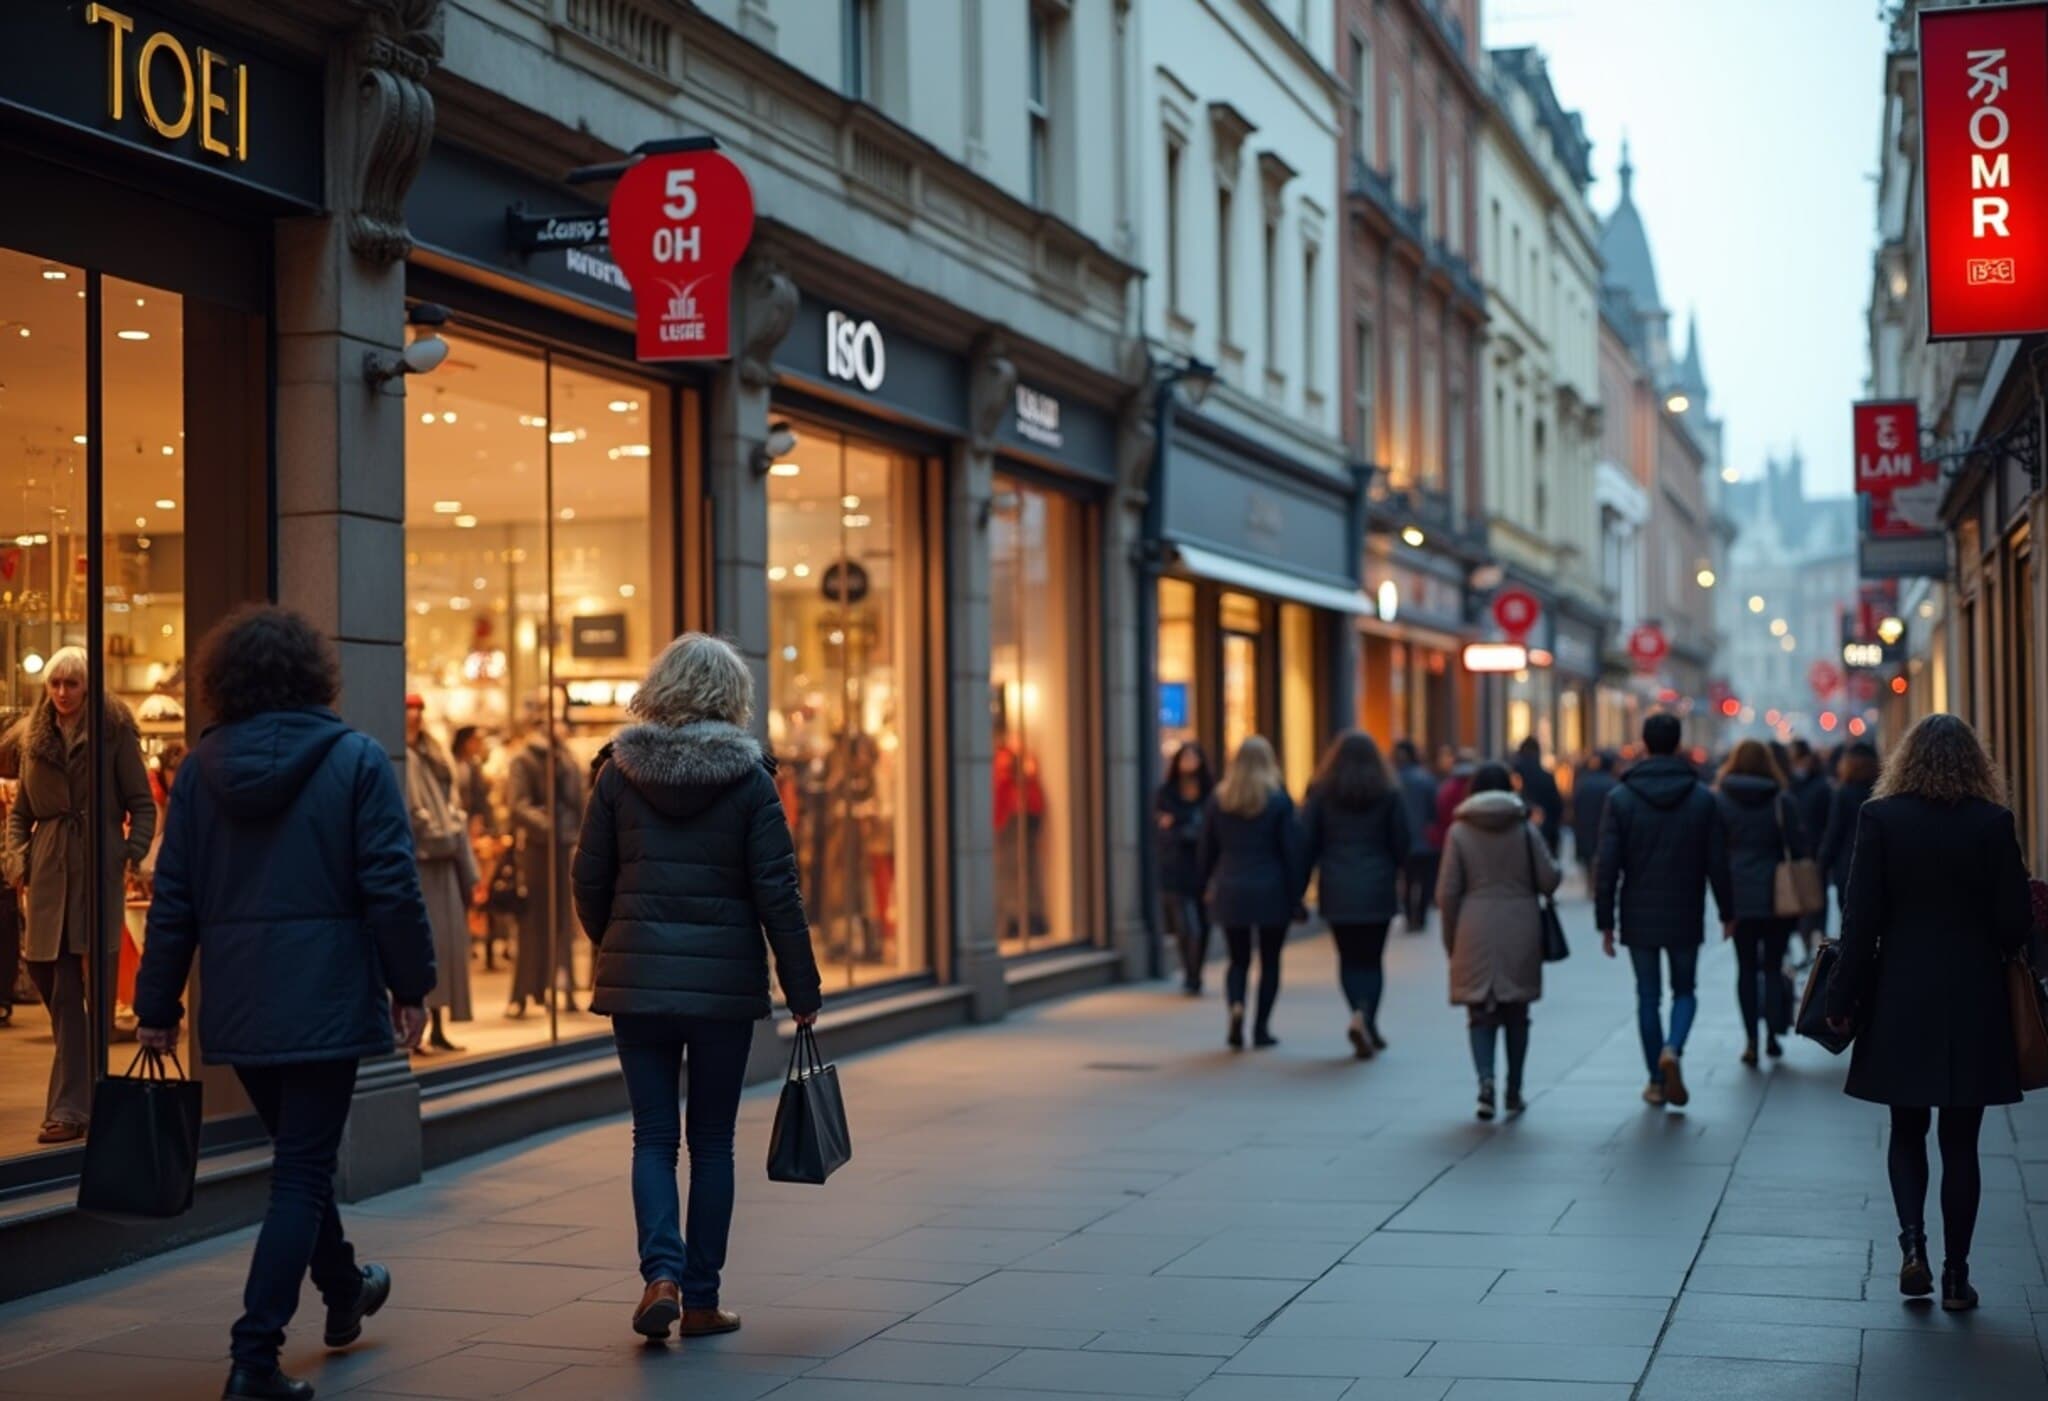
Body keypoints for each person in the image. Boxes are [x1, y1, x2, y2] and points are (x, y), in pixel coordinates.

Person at [134, 606, 435, 1401]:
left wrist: (157, 1002)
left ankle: (343, 1288)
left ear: (222, 681)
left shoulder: (200, 770)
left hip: (241, 1002)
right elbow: (392, 887)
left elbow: (174, 898)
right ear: (314, 674)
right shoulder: (358, 759)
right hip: (329, 1000)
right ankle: (253, 1357)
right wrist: (412, 987)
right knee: (301, 1171)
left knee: (298, 1163)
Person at [572, 633, 823, 1342]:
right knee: (711, 1139)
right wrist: (801, 985)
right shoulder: (751, 780)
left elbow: (588, 878)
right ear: (730, 696)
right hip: (722, 990)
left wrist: (619, 944)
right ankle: (703, 1299)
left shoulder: (617, 773)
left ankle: (661, 1274)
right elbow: (779, 893)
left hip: (639, 985)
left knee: (652, 1134)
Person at [1824, 714, 2033, 1313]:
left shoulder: (1881, 819)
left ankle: (1911, 1244)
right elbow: (2014, 923)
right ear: (1976, 762)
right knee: (1962, 1141)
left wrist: (1842, 1001)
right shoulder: (1993, 823)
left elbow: (1860, 922)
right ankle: (1956, 1275)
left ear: (1905, 761)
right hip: (1973, 995)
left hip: (1900, 993)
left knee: (1907, 1127)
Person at [3, 647, 156, 1144]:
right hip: (47, 874)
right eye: (56, 685)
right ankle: (93, 1090)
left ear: (88, 687)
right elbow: (20, 813)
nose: (64, 693)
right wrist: (18, 859)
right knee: (49, 974)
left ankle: (69, 1110)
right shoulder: (33, 740)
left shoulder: (112, 733)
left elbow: (141, 802)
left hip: (94, 870)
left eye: (72, 684)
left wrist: (126, 854)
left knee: (77, 991)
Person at [1596, 713, 1731, 1110]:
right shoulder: (1702, 797)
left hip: (1637, 911)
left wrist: (1606, 921)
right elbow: (1717, 861)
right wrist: (1728, 910)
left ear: (1643, 743)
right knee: (1685, 990)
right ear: (1677, 745)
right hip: (1685, 907)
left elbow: (1607, 865)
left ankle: (1656, 1080)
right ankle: (1673, 1048)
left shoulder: (1620, 798)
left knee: (1648, 995)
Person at [1437, 761, 1559, 1120]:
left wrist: (1451, 941)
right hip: (1520, 923)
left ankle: (1485, 1082)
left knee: (1480, 1012)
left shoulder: (1459, 832)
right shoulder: (1523, 828)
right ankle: (1515, 1088)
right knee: (1517, 1011)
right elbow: (1548, 880)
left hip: (1473, 925)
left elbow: (1447, 893)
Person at [1301, 731, 1412, 1058]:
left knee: (1348, 958)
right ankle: (1368, 1019)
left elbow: (1307, 842)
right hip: (1377, 885)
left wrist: (1299, 887)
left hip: (1337, 885)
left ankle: (1357, 1013)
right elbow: (1402, 841)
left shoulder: (1321, 793)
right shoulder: (1388, 792)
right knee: (1373, 959)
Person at [1198, 735, 1301, 1051]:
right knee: (1270, 961)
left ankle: (1236, 1006)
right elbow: (1292, 852)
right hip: (1271, 889)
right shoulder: (1279, 800)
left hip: (1231, 886)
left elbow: (1207, 849)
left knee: (1237, 959)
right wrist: (1296, 895)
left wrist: (1205, 884)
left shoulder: (1220, 800)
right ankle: (1261, 1029)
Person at [1716, 739, 1809, 1066]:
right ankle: (1772, 1034)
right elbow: (1798, 848)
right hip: (1777, 894)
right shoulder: (1781, 800)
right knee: (1772, 966)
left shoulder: (1722, 801)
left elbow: (1715, 852)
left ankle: (1750, 1040)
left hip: (1739, 894)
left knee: (1744, 968)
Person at [407, 696, 479, 1055]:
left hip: (445, 861)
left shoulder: (434, 755)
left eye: (420, 709)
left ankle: (438, 1026)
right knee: (428, 945)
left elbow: (451, 804)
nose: (416, 716)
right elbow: (416, 815)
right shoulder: (404, 758)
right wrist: (446, 835)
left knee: (448, 948)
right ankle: (416, 1030)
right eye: (409, 709)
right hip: (425, 863)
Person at [508, 715, 585, 1016]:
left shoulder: (565, 758)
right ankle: (525, 992)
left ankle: (562, 985)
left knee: (563, 921)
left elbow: (577, 801)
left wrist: (572, 831)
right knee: (533, 924)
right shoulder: (525, 761)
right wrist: (548, 826)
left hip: (563, 847)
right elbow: (518, 805)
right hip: (539, 850)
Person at [1154, 742, 1215, 994]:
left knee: (1203, 923)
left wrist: (1180, 826)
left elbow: (1210, 831)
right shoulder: (1166, 793)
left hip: (1204, 867)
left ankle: (1196, 970)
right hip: (1176, 867)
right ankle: (1190, 974)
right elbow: (1162, 828)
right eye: (1185, 757)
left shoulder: (1210, 794)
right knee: (1185, 924)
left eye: (1194, 757)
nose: (1189, 762)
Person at [1818, 739, 1880, 928]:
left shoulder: (1843, 793)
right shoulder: (1882, 792)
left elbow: (1834, 833)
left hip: (1848, 867)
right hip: (1878, 864)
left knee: (1850, 923)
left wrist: (1821, 865)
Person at [1392, 740, 1441, 933]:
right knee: (1423, 880)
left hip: (1405, 840)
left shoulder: (1393, 780)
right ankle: (1419, 916)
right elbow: (1433, 810)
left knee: (1408, 879)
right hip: (1424, 839)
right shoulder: (1425, 779)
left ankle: (1410, 916)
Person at [1571, 750, 1619, 882]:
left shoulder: (1584, 782)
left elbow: (1576, 805)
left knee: (1589, 858)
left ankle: (1590, 884)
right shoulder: (1613, 784)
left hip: (1586, 826)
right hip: (1604, 827)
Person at [1513, 737, 1565, 857]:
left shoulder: (1514, 776)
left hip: (1518, 835)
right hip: (1545, 832)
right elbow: (1557, 806)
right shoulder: (1546, 777)